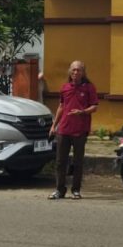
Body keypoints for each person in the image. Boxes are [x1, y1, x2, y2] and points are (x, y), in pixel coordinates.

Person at [48, 60, 98, 200]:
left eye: (79, 70)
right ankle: (59, 189)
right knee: (60, 162)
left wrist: (82, 112)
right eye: (74, 70)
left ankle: (76, 190)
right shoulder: (65, 87)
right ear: (70, 71)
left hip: (80, 130)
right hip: (63, 129)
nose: (76, 72)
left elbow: (94, 106)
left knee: (77, 161)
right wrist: (54, 125)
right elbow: (61, 106)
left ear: (83, 72)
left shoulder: (89, 87)